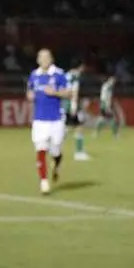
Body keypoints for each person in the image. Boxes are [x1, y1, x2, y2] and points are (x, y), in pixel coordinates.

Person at [26, 49, 72, 195]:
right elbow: (29, 91)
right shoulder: (34, 75)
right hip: (39, 120)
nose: (44, 60)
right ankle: (44, 181)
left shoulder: (59, 74)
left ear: (51, 59)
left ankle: (57, 162)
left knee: (56, 149)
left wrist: (56, 93)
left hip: (56, 120)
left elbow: (69, 93)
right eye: (41, 57)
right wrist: (30, 96)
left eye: (46, 57)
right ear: (38, 60)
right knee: (41, 149)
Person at [63, 61, 91, 161]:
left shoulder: (65, 75)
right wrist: (74, 106)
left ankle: (53, 146)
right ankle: (79, 153)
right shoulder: (76, 76)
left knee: (67, 127)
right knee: (79, 127)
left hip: (64, 103)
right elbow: (75, 91)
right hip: (71, 104)